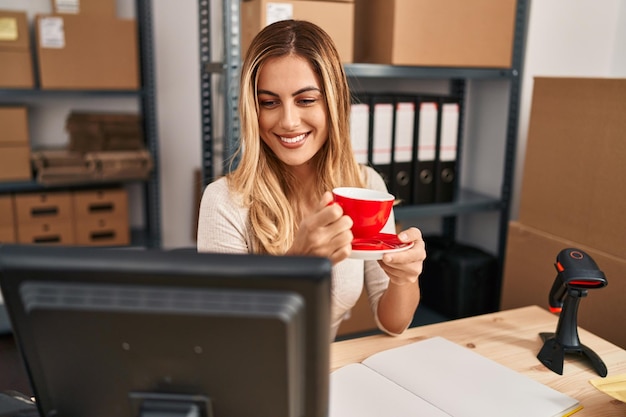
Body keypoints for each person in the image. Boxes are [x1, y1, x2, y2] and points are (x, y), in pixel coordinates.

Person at [197, 19, 426, 341]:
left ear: (333, 103)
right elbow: (232, 336)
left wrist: (406, 277)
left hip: (323, 370)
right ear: (253, 109)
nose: (289, 121)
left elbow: (394, 323)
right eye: (269, 102)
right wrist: (297, 266)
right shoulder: (224, 200)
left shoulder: (366, 186)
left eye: (306, 100)